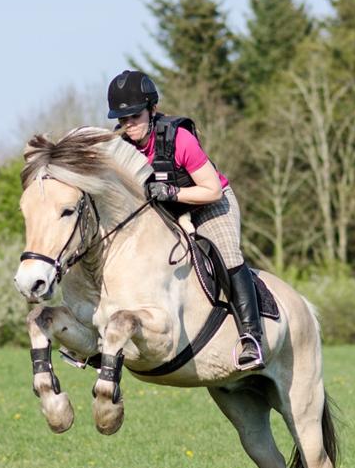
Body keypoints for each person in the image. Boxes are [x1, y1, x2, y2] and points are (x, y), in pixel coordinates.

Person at [107, 69, 264, 371]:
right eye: (122, 119)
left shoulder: (179, 139)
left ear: (152, 110)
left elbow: (212, 190)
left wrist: (172, 191)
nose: (128, 126)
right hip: (165, 212)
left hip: (210, 203)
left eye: (135, 117)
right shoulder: (121, 148)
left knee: (227, 254)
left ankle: (251, 337)